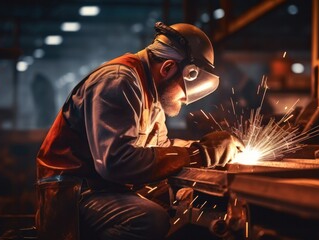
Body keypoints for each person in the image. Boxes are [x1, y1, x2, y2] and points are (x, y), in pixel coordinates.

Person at [35, 22, 244, 240]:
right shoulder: (119, 81)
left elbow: (158, 149)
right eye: (185, 91)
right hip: (73, 195)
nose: (185, 101)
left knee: (176, 204)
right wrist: (196, 154)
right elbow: (116, 163)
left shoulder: (151, 94)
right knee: (149, 219)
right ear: (168, 68)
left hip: (102, 189)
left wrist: (200, 149)